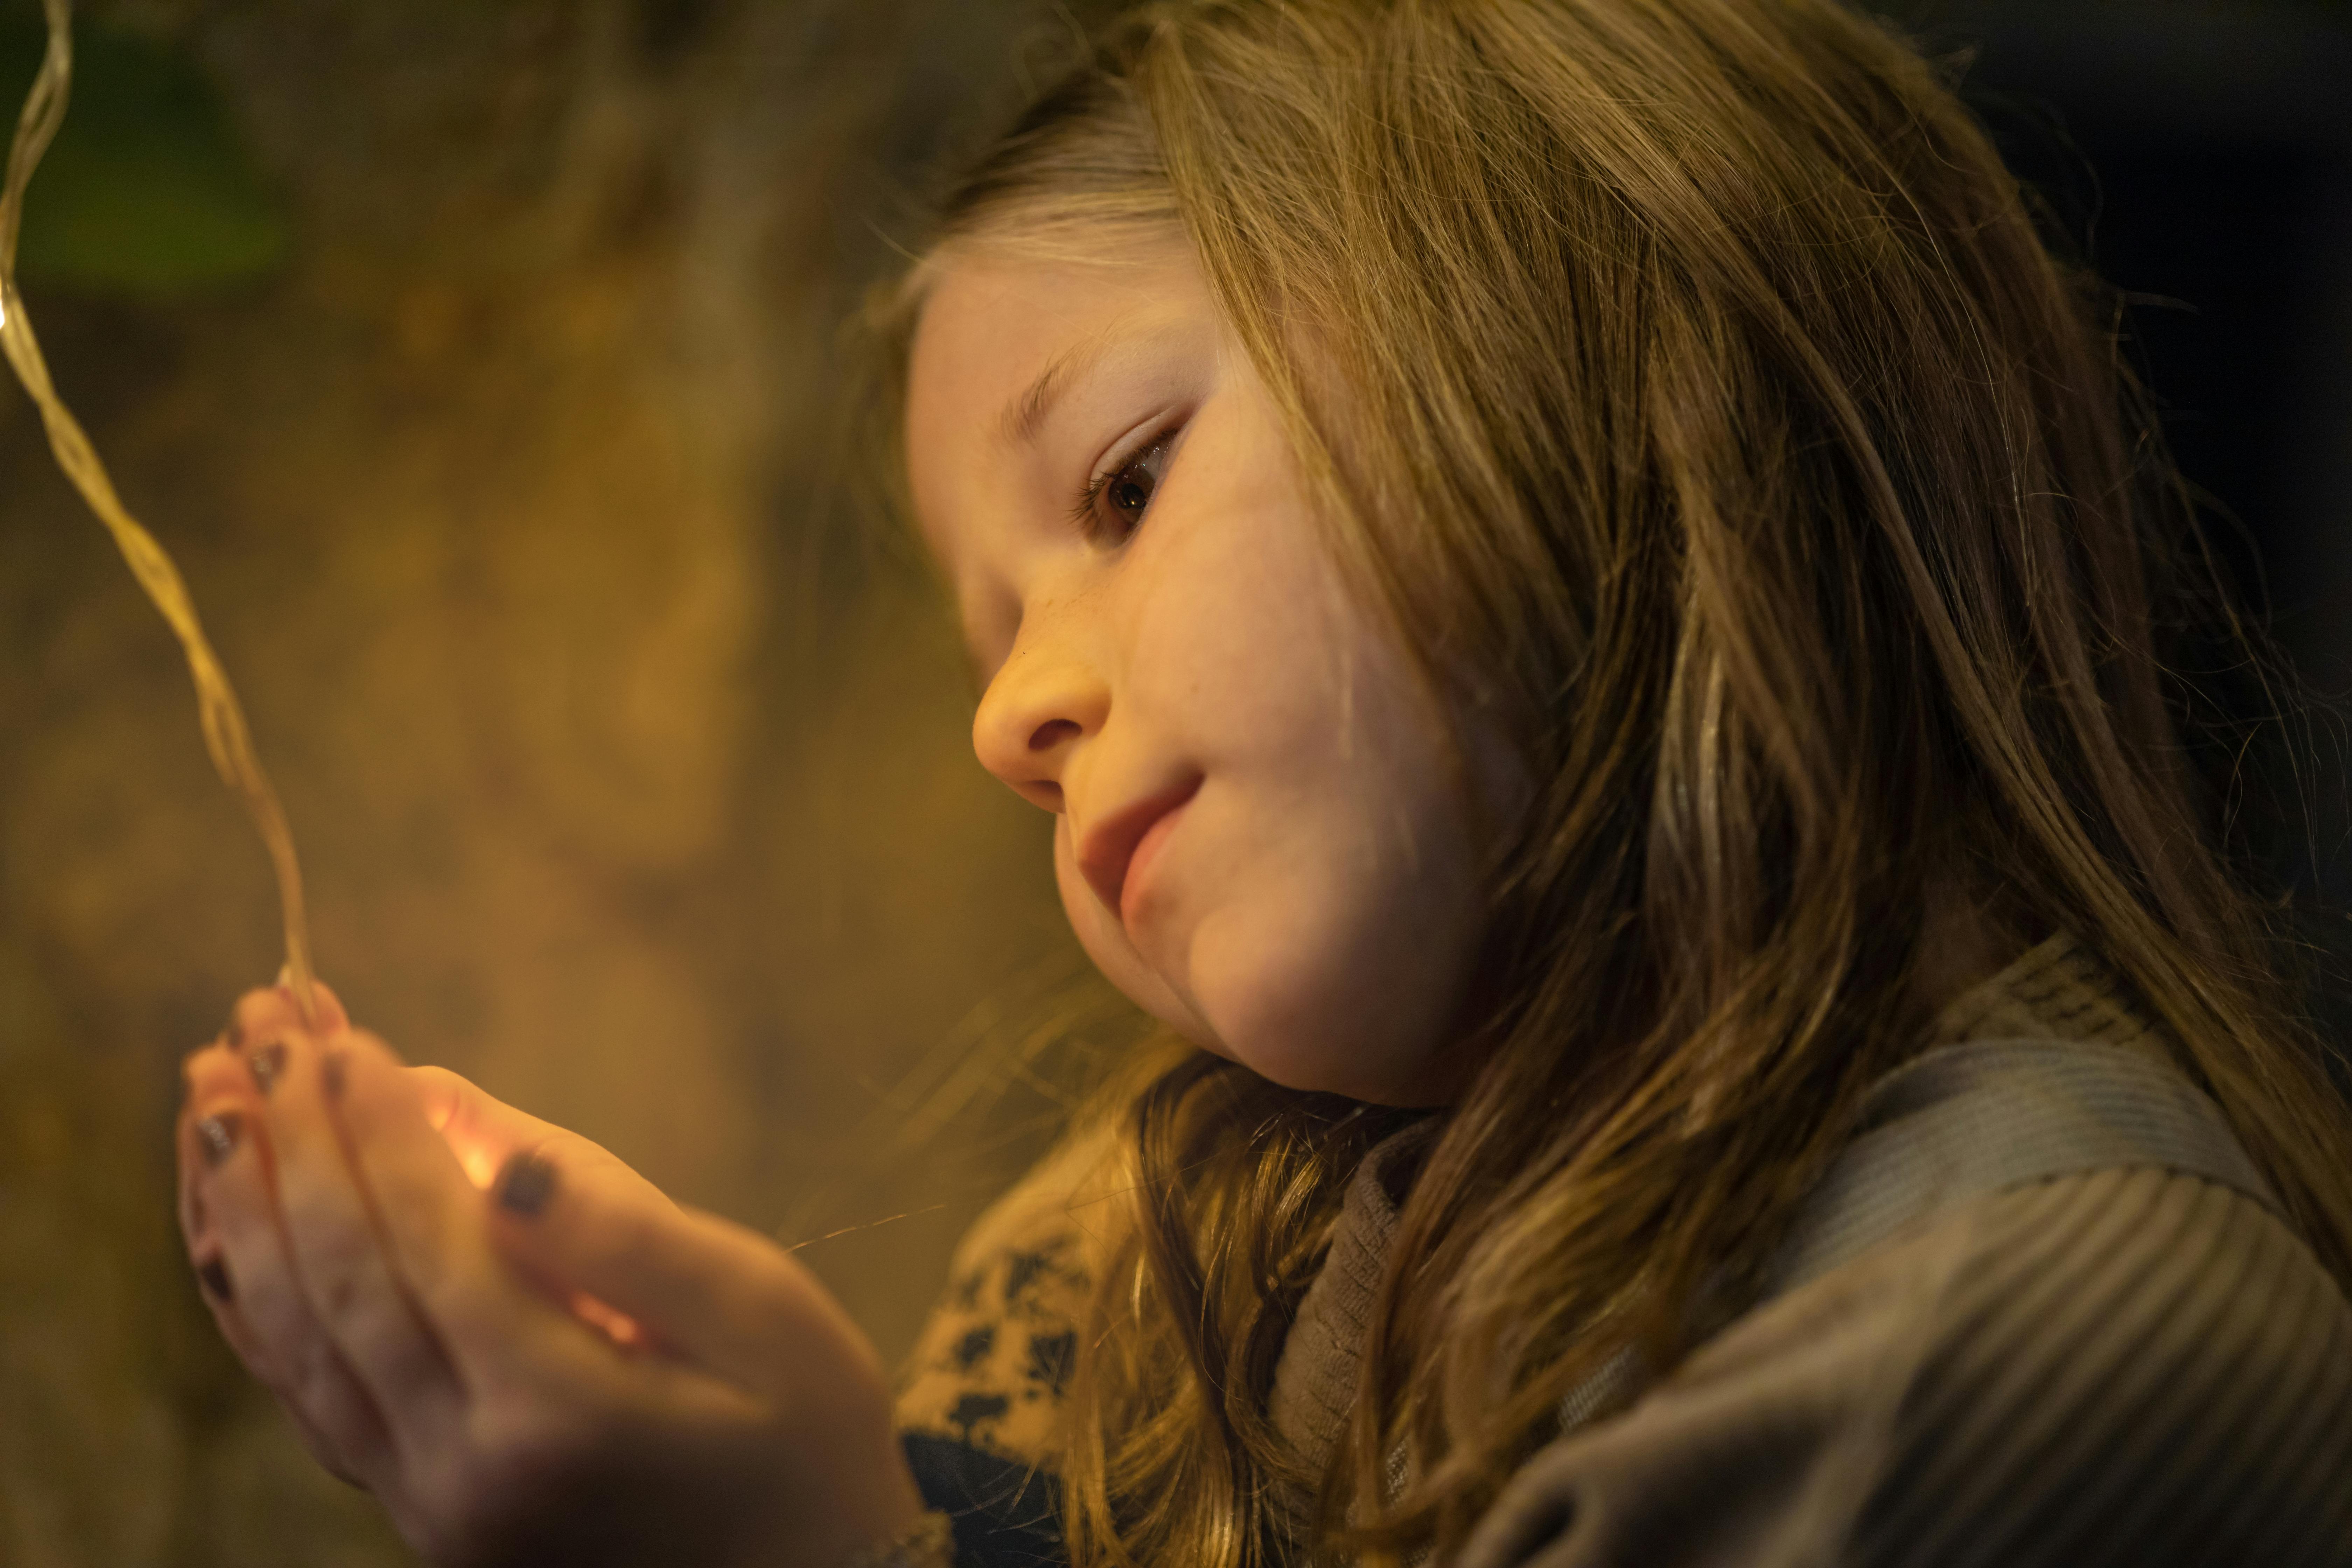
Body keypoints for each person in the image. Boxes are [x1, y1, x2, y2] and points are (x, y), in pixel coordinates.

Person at [175, 1, 2352, 1564]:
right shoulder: (1137, 1288)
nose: (1007, 716)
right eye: (992, 628)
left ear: (1610, 340)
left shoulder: (2047, 1315)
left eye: (1123, 483)